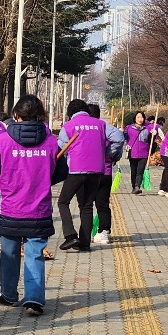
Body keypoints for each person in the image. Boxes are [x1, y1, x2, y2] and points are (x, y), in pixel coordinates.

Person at [0, 95, 57, 316]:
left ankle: (8, 295)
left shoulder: (3, 141)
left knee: (9, 251)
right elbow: (60, 171)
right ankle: (34, 300)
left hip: (10, 207)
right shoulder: (51, 141)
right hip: (39, 207)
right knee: (35, 252)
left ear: (16, 115)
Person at [55, 100, 122, 252]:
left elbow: (61, 148)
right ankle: (85, 244)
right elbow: (118, 137)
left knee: (63, 202)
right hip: (97, 171)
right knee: (87, 206)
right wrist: (108, 153)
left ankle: (70, 235)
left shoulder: (69, 126)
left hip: (76, 170)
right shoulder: (100, 124)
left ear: (70, 112)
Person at [87, 104, 120, 246]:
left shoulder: (85, 129)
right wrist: (109, 154)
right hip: (105, 171)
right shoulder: (105, 128)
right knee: (103, 203)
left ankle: (85, 234)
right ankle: (104, 232)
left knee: (86, 205)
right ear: (99, 115)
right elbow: (119, 141)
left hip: (87, 172)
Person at [124, 111, 157, 195]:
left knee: (140, 171)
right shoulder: (129, 128)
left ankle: (137, 186)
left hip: (144, 153)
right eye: (138, 117)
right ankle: (133, 186)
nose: (140, 119)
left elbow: (151, 141)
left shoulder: (147, 129)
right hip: (133, 153)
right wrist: (122, 132)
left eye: (141, 117)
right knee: (133, 171)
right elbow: (124, 138)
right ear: (135, 118)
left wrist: (154, 135)